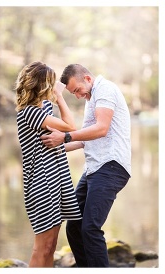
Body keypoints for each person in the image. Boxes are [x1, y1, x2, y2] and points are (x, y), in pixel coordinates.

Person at [40, 64, 132, 267]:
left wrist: (63, 136)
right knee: (74, 227)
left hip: (111, 166)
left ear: (88, 79)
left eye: (77, 90)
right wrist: (57, 147)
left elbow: (101, 129)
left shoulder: (105, 90)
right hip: (94, 168)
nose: (77, 95)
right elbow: (85, 140)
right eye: (72, 93)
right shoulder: (91, 99)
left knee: (90, 227)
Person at [14, 61, 82, 267]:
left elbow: (53, 146)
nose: (54, 87)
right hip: (41, 185)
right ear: (42, 85)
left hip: (57, 182)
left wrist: (83, 144)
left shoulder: (42, 110)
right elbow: (70, 126)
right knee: (42, 247)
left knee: (51, 245)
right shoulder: (30, 113)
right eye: (51, 83)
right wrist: (60, 97)